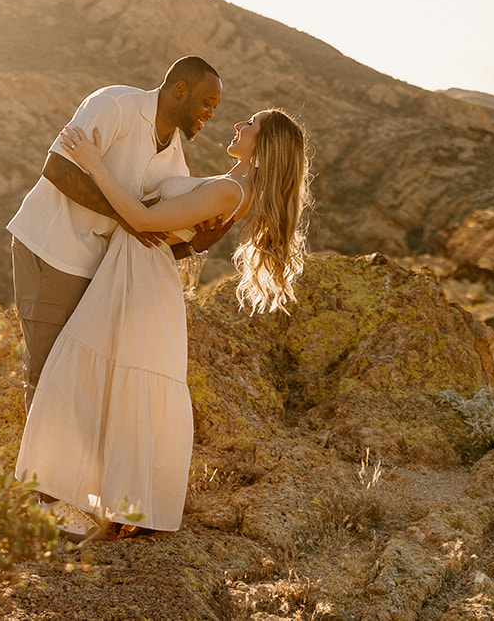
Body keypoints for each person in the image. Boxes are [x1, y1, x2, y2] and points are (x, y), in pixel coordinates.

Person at [15, 106, 311, 537]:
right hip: (133, 270)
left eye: (251, 124)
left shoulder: (231, 191)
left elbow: (144, 221)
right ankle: (94, 504)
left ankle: (97, 506)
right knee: (97, 379)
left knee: (90, 377)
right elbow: (167, 229)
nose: (238, 125)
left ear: (265, 146)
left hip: (141, 279)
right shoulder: (232, 184)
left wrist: (94, 164)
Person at [6, 56, 228, 416]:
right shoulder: (114, 105)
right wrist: (127, 217)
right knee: (46, 373)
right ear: (180, 90)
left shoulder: (176, 163)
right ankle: (35, 471)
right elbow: (57, 167)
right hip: (52, 250)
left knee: (79, 377)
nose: (211, 114)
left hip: (98, 273)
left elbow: (148, 242)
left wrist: (194, 245)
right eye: (207, 102)